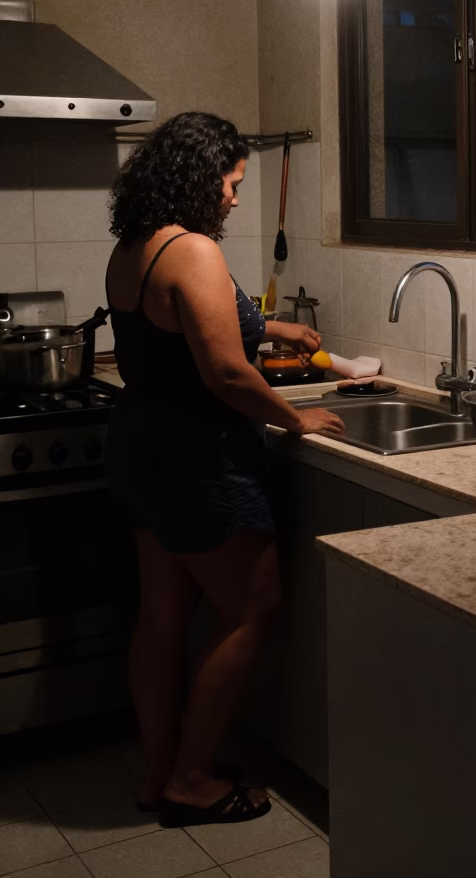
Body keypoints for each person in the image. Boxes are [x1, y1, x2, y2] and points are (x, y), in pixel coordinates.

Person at [104, 111, 344, 828]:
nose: (235, 197)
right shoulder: (196, 251)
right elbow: (228, 376)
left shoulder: (137, 247)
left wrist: (275, 326)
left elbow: (186, 322)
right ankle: (193, 777)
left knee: (161, 616)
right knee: (254, 610)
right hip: (198, 458)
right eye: (231, 182)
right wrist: (296, 418)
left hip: (142, 450)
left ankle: (156, 776)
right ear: (197, 176)